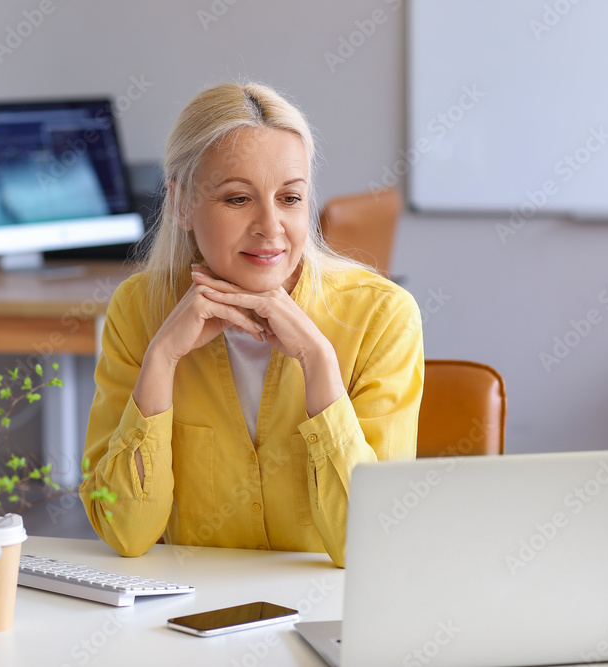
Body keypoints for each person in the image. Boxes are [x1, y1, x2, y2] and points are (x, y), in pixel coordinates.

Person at [78, 82, 423, 568]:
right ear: (180, 204)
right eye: (238, 199)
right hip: (193, 620)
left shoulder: (383, 317)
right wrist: (161, 360)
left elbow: (368, 545)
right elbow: (125, 533)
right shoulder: (137, 310)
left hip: (328, 619)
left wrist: (320, 363)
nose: (270, 226)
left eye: (290, 198)